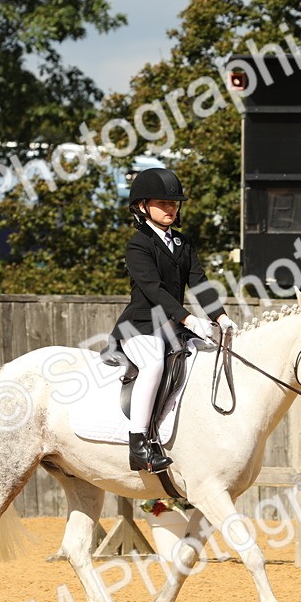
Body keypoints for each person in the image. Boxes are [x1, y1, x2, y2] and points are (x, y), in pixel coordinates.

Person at [108, 167, 235, 473]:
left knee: (207, 356)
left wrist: (220, 316)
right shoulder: (138, 244)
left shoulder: (183, 243)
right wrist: (189, 319)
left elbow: (199, 283)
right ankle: (139, 444)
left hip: (173, 326)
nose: (171, 208)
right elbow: (153, 289)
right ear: (142, 206)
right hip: (141, 325)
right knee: (153, 364)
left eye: (174, 203)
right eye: (163, 203)